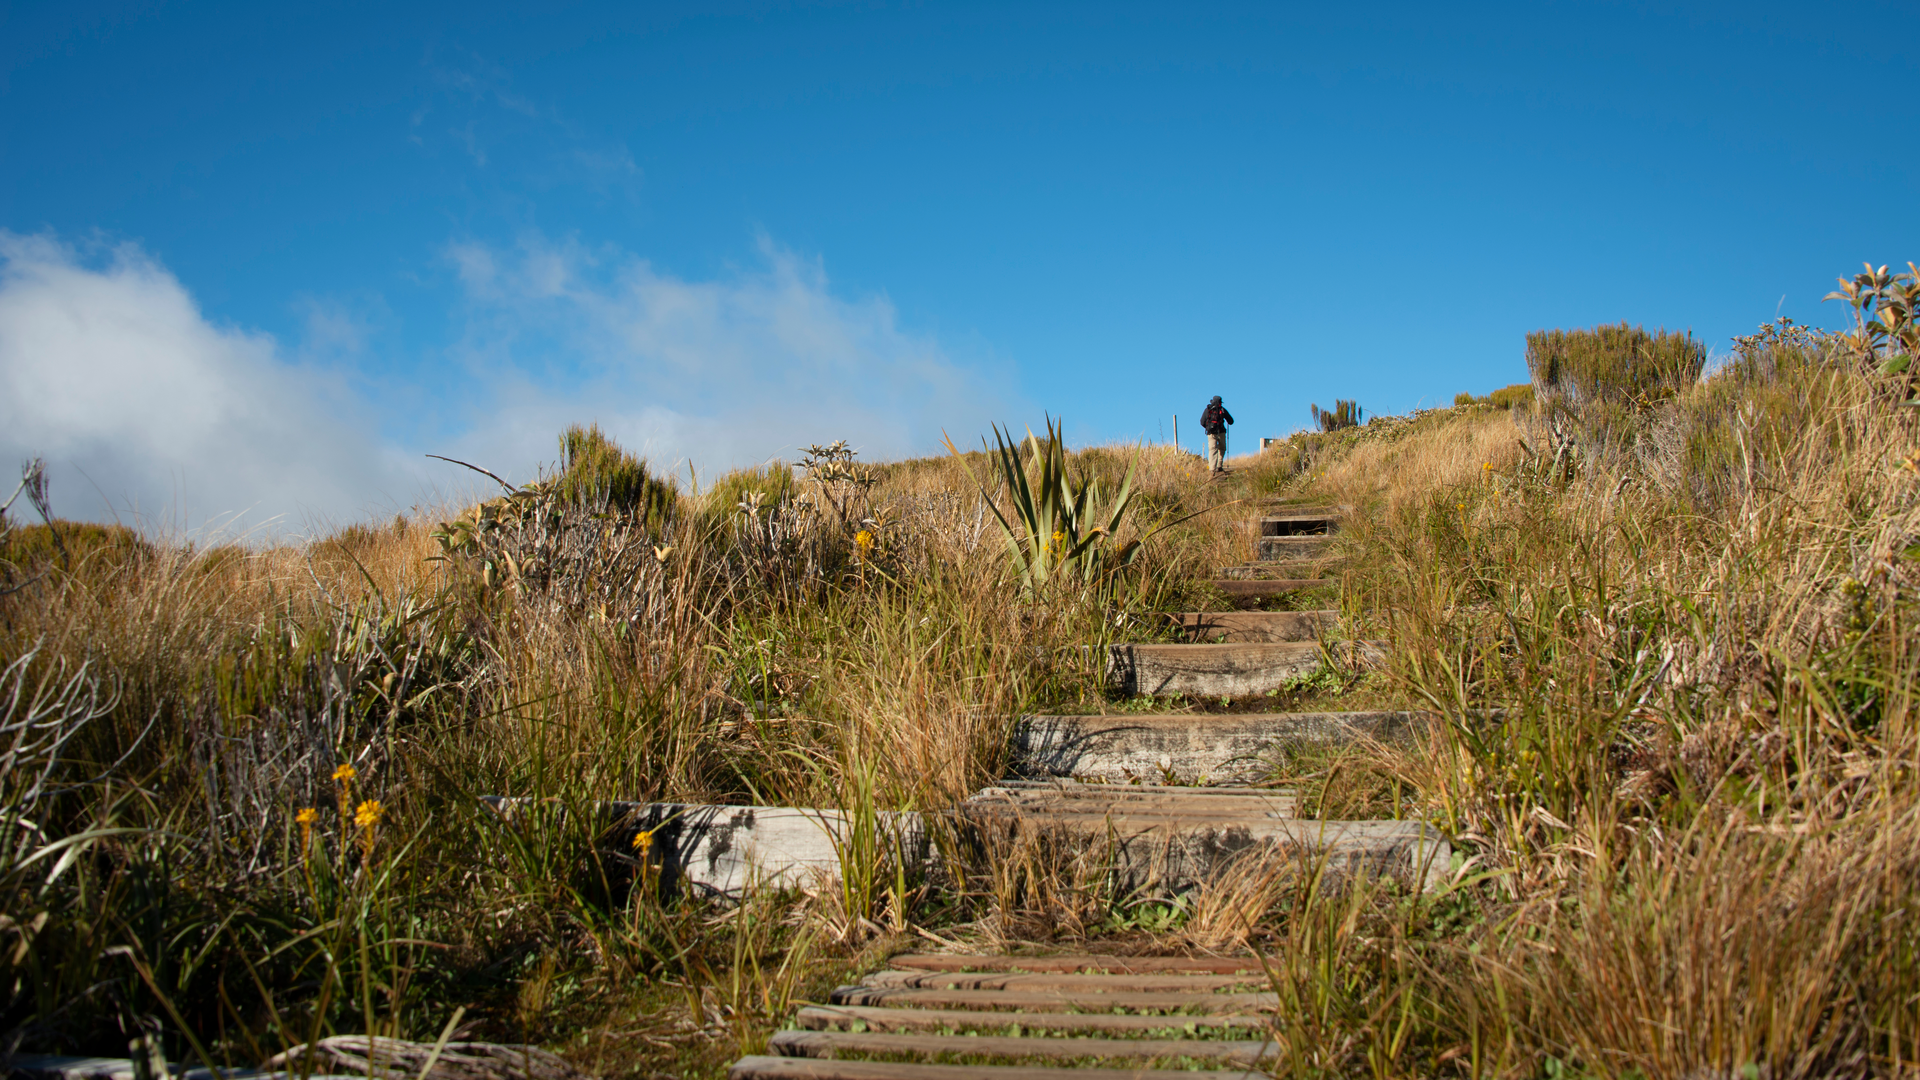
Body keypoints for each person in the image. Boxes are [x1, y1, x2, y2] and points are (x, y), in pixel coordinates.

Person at [1200, 395, 1234, 475]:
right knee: (1222, 448)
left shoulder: (1208, 410)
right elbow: (1231, 421)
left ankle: (1212, 469)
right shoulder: (1222, 410)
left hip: (1211, 433)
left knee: (1212, 450)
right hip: (1221, 432)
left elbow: (1202, 422)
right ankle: (1219, 466)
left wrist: (1208, 427)